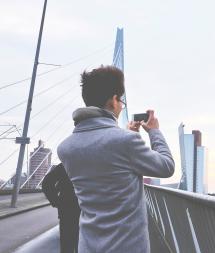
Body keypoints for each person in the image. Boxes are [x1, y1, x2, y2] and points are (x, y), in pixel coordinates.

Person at [57, 65, 175, 253]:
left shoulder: (66, 148)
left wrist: (128, 136)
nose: (121, 106)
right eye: (121, 101)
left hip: (88, 246)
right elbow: (166, 167)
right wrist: (154, 131)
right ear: (113, 100)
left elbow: (105, 159)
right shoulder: (126, 142)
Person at [42, 163, 80, 253]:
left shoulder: (67, 163)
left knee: (67, 246)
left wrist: (57, 202)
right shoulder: (95, 162)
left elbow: (46, 183)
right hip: (88, 213)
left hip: (67, 212)